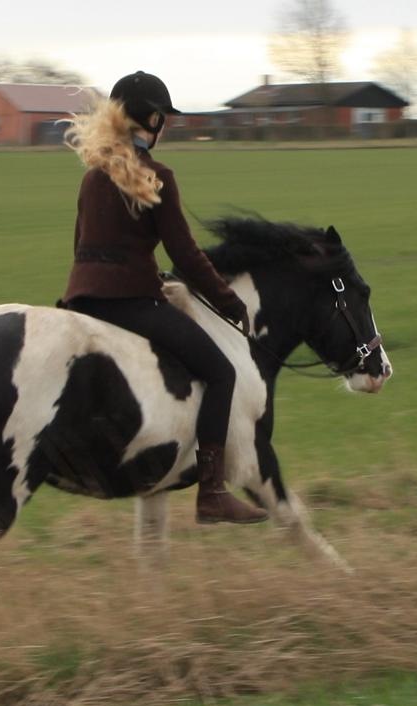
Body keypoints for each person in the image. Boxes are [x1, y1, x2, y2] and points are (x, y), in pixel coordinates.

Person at [61, 71, 267, 525]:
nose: (166, 126)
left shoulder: (93, 175)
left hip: (81, 300)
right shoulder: (157, 176)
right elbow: (186, 255)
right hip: (132, 304)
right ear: (150, 119)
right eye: (163, 118)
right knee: (220, 371)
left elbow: (82, 245)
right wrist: (229, 304)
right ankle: (212, 492)